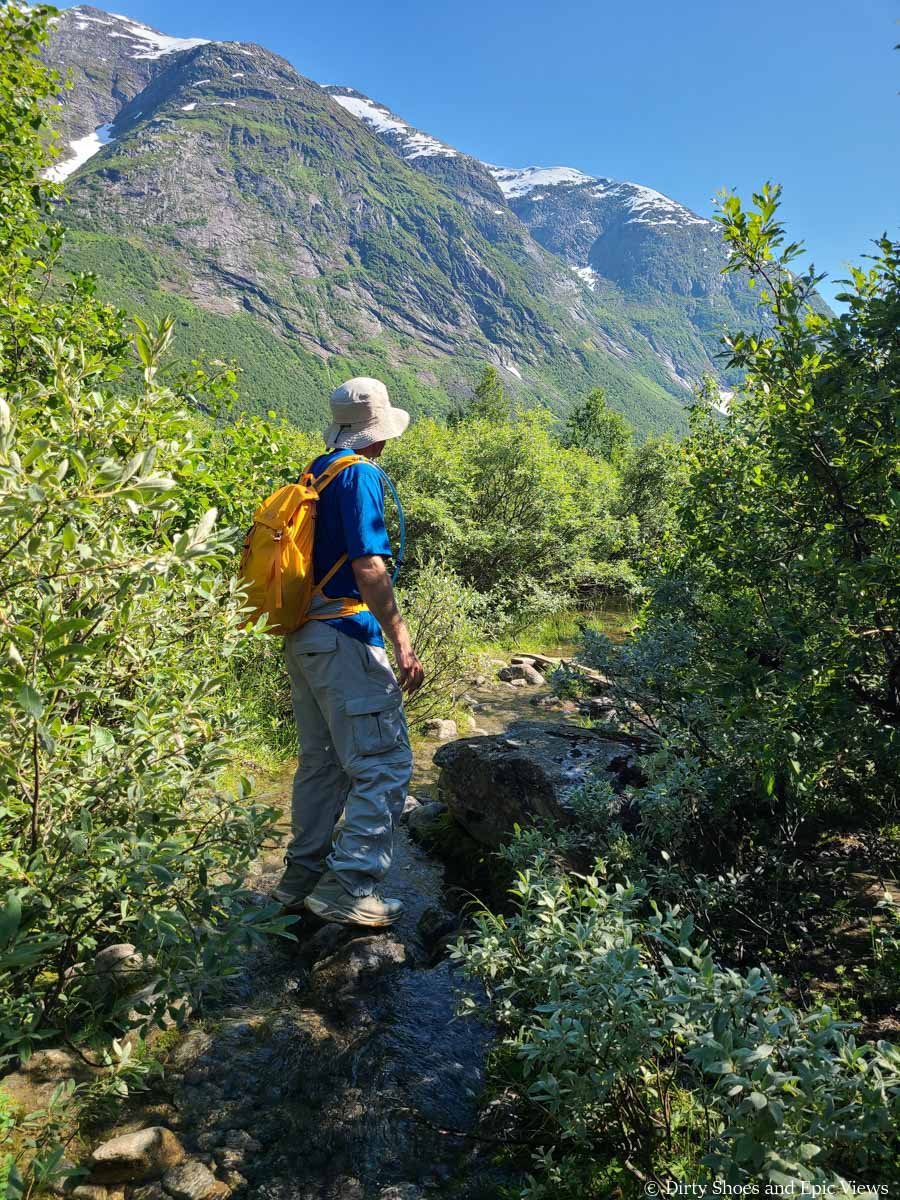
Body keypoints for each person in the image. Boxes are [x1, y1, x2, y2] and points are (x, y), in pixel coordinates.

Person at [272, 377, 424, 927]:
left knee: (322, 764)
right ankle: (349, 885)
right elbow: (369, 567)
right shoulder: (359, 475)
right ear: (376, 432)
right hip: (345, 637)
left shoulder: (316, 469)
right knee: (384, 763)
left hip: (305, 637)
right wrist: (402, 639)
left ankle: (300, 881)